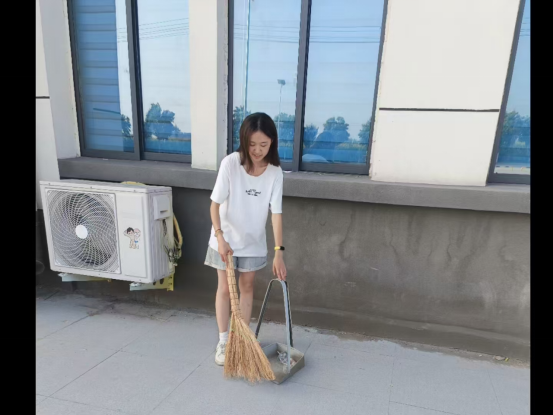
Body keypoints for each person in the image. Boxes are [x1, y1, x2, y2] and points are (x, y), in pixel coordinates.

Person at [205, 112, 287, 366]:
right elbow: (214, 205)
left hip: (253, 242)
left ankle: (241, 338)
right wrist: (220, 237)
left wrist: (279, 251)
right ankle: (223, 340)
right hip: (225, 240)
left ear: (272, 143)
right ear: (244, 140)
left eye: (263, 144)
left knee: (248, 287)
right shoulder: (231, 163)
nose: (257, 150)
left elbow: (276, 214)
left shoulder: (275, 173)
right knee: (225, 289)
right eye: (252, 144)